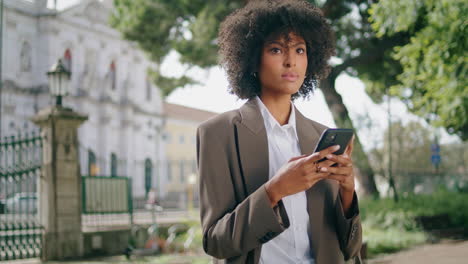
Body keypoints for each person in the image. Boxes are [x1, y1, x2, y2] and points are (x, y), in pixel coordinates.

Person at [196, 1, 362, 263]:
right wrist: (275, 190)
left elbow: (350, 248)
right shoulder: (217, 134)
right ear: (251, 58)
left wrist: (347, 192)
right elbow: (216, 242)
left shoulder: (321, 137)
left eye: (299, 50)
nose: (291, 62)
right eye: (276, 50)